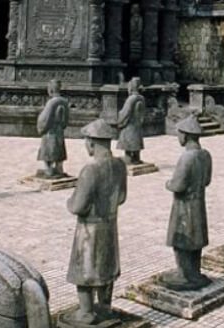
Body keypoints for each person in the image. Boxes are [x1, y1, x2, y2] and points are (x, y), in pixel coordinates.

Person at [65, 119, 127, 325]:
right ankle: (105, 307)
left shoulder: (90, 170)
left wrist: (69, 202)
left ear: (91, 143)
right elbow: (122, 197)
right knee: (106, 265)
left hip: (89, 228)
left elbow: (78, 206)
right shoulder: (119, 165)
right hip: (110, 225)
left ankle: (86, 312)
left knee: (84, 269)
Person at [161, 115, 212, 290]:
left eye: (179, 134)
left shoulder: (187, 158)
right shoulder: (205, 155)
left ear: (185, 135)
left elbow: (178, 185)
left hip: (184, 205)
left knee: (181, 241)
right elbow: (207, 181)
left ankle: (184, 274)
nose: (178, 138)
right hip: (199, 202)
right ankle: (195, 271)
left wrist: (168, 183)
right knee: (196, 239)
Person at [36, 79, 69, 177]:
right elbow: (66, 119)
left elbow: (45, 118)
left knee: (48, 151)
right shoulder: (64, 101)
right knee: (59, 149)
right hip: (59, 130)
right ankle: (59, 168)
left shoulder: (51, 102)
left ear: (50, 90)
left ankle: (49, 170)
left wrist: (41, 128)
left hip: (50, 131)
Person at [116, 77, 146, 164]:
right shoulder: (141, 98)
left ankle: (128, 158)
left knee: (129, 141)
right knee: (136, 140)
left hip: (129, 124)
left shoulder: (131, 99)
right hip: (137, 124)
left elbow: (126, 112)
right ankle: (136, 158)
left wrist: (119, 120)